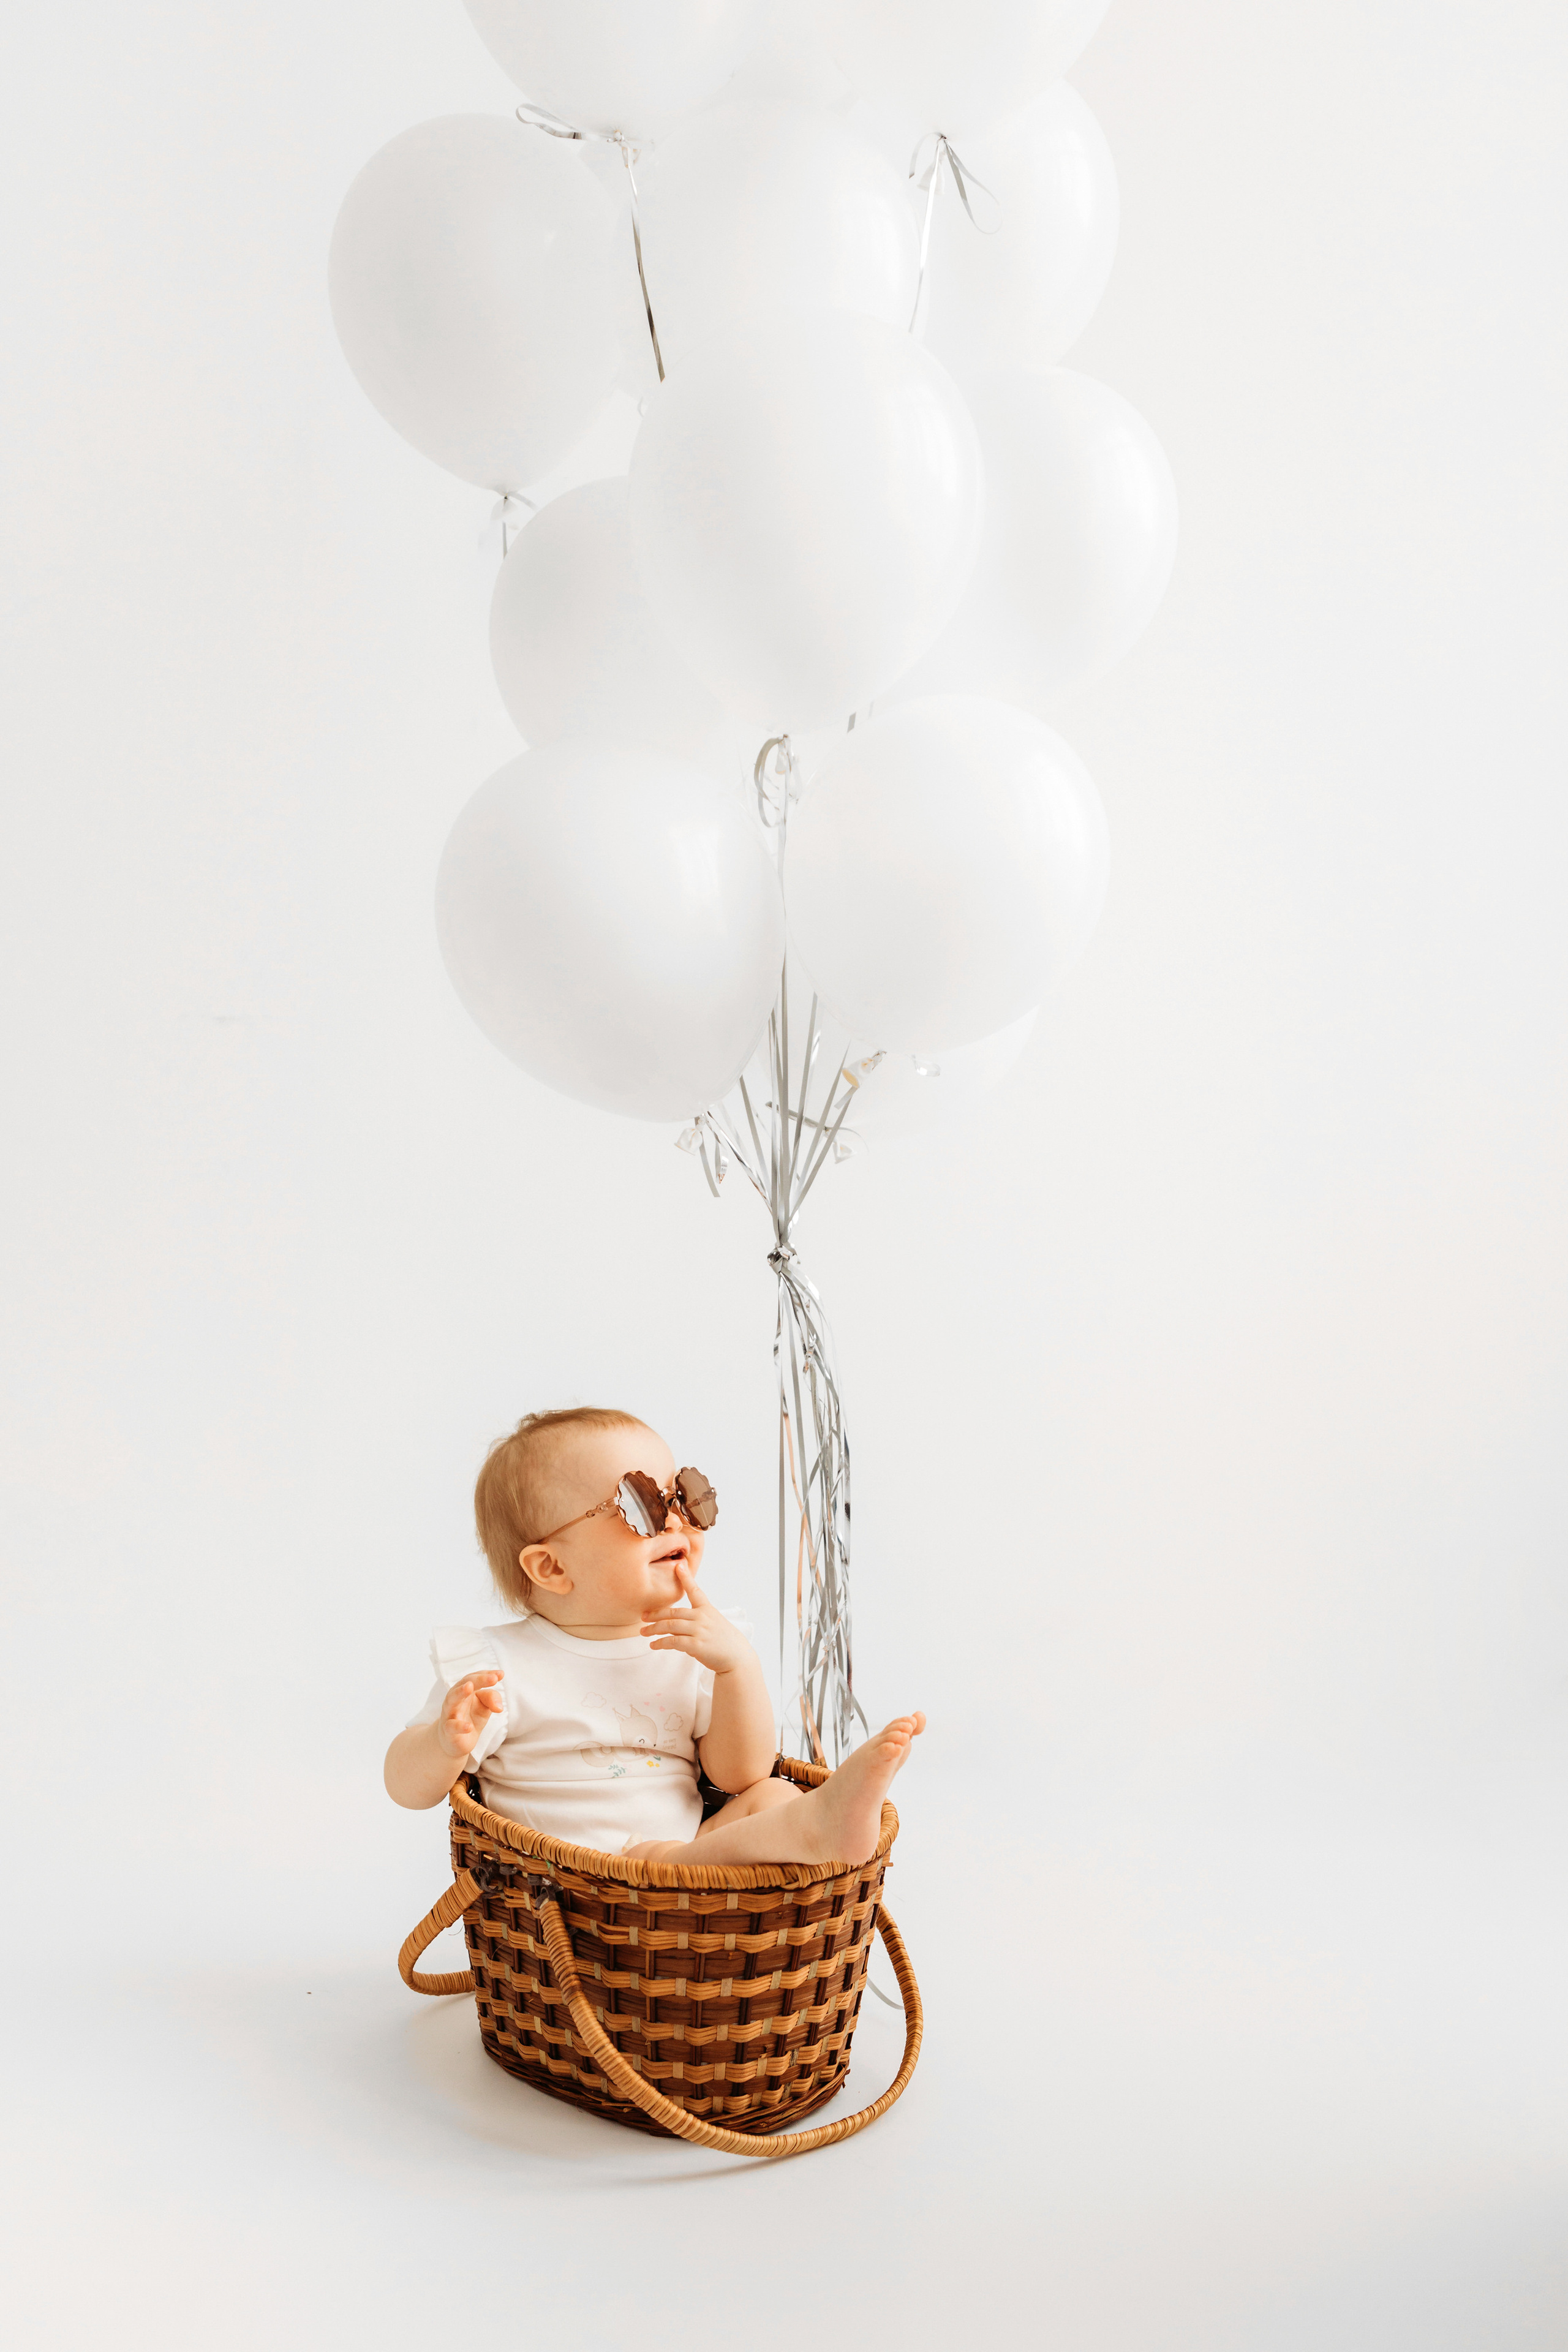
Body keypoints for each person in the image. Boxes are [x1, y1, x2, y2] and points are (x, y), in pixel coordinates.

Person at [384, 1404, 922, 1866]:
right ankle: (817, 1829)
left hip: (695, 1855)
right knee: (663, 1858)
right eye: (640, 1505)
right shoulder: (499, 1666)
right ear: (551, 1568)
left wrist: (738, 1669)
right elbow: (406, 1788)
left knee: (774, 1793)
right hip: (585, 1879)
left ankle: (824, 1824)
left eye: (684, 1497)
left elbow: (739, 1775)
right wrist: (441, 1744)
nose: (674, 1523)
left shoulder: (694, 1646)